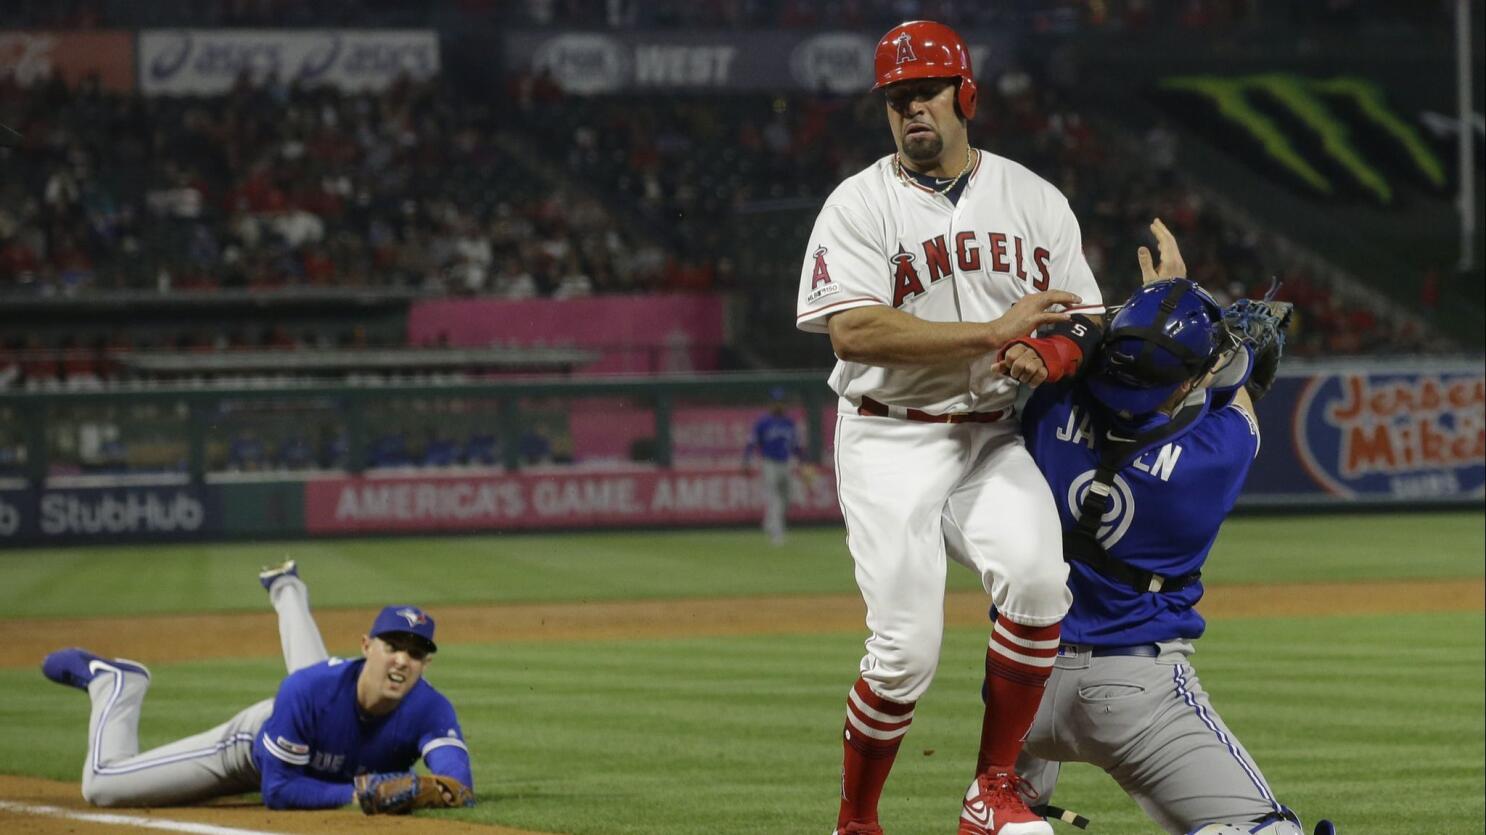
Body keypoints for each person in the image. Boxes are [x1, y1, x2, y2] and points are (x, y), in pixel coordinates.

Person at [794, 19, 1107, 835]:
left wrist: (1049, 354)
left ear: (964, 95)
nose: (910, 111)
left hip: (989, 433)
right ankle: (856, 819)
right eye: (896, 99)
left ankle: (992, 789)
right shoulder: (858, 204)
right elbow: (853, 332)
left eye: (925, 92)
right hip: (887, 436)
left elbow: (1085, 320)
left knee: (1041, 583)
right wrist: (997, 333)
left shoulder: (1035, 200)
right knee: (905, 651)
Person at [1010, 222, 1336, 835]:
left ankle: (1019, 810)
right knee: (1271, 831)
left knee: (1004, 816)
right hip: (1134, 691)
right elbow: (1234, 385)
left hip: (1020, 680)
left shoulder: (1050, 404)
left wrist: (1151, 310)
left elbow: (1092, 342)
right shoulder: (1219, 453)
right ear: (1184, 383)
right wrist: (1195, 310)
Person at [40, 561, 475, 813]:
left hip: (320, 713)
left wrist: (433, 793)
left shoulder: (430, 707)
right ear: (366, 645)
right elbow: (278, 789)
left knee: (318, 685)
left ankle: (286, 585)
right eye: (393, 646)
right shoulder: (310, 691)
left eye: (415, 653)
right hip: (250, 752)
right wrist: (361, 794)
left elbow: (459, 785)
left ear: (426, 663)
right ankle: (117, 685)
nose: (403, 659)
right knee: (102, 788)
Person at [742, 387, 806, 545]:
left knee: (787, 498)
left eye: (781, 402)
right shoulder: (763, 422)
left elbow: (796, 445)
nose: (778, 405)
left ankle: (770, 522)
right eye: (776, 402)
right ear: (771, 404)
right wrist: (747, 460)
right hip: (769, 463)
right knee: (774, 497)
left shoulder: (789, 423)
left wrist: (803, 462)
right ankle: (777, 532)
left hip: (786, 462)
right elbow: (752, 442)